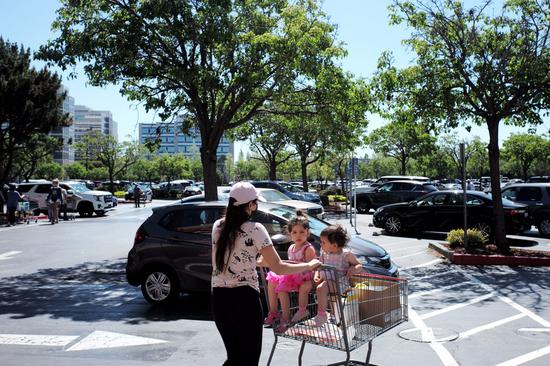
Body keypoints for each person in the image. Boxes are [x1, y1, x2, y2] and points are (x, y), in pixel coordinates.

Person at [211, 182, 321, 366]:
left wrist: (254, 261)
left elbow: (231, 257)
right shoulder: (255, 228)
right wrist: (309, 265)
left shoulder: (217, 226)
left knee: (234, 358)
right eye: (255, 203)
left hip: (219, 298)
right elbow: (278, 267)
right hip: (244, 298)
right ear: (251, 204)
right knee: (249, 359)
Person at [264, 210, 317, 332]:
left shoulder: (308, 249)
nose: (298, 235)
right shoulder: (291, 248)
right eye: (294, 232)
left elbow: (311, 268)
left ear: (307, 233)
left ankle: (286, 318)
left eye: (302, 232)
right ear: (290, 234)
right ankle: (273, 312)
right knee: (272, 281)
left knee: (282, 288)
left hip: (303, 277)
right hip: (291, 275)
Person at [313, 224, 362, 327]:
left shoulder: (345, 254)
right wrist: (317, 274)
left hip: (340, 282)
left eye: (323, 242)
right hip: (328, 281)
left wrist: (354, 268)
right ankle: (333, 315)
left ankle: (322, 314)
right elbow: (319, 266)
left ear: (334, 245)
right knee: (332, 297)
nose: (321, 244)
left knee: (321, 288)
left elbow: (359, 265)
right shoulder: (323, 253)